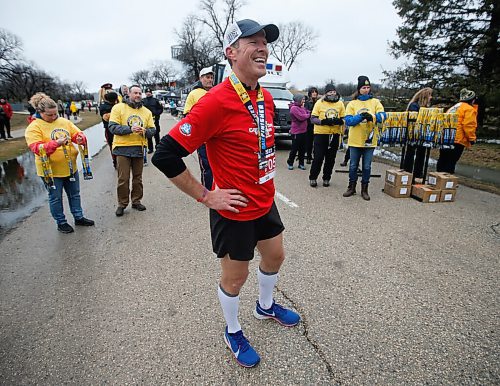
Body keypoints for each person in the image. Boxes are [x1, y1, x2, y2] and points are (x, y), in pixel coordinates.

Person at [152, 19, 300, 368]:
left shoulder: (262, 95)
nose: (263, 47)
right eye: (253, 41)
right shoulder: (215, 102)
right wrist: (207, 196)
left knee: (275, 256)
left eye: (265, 41)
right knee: (236, 276)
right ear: (231, 53)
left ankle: (264, 308)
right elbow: (165, 154)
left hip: (263, 201)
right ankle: (232, 330)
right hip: (232, 209)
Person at [24, 92, 95, 233]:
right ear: (40, 112)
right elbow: (37, 148)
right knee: (55, 198)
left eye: (55, 114)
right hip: (50, 171)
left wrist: (80, 138)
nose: (54, 117)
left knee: (75, 194)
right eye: (50, 115)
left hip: (70, 167)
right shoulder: (34, 127)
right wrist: (55, 143)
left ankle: (78, 216)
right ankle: (61, 222)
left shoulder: (63, 121)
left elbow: (76, 134)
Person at [108, 85, 155, 216]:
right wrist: (130, 129)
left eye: (140, 93)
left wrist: (145, 131)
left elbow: (153, 130)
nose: (138, 95)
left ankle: (136, 201)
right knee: (123, 178)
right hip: (122, 148)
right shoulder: (118, 108)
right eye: (135, 93)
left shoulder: (146, 112)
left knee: (138, 178)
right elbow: (112, 127)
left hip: (139, 148)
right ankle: (122, 204)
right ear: (128, 94)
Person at [343, 75, 386, 200]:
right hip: (355, 140)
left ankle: (365, 189)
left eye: (368, 87)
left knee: (367, 166)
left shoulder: (375, 102)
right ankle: (351, 187)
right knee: (353, 165)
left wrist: (372, 116)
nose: (366, 90)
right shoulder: (352, 104)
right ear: (359, 89)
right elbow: (349, 120)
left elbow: (383, 116)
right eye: (363, 87)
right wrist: (361, 117)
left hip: (370, 141)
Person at [183, 67, 215, 190]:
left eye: (211, 77)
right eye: (207, 77)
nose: (210, 80)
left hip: (216, 137)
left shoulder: (215, 91)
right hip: (203, 138)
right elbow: (187, 115)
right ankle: (207, 191)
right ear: (201, 78)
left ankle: (217, 188)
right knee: (207, 166)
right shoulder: (194, 93)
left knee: (218, 165)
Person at [308, 84, 345, 187]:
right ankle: (313, 177)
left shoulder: (340, 104)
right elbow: (313, 118)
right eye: (330, 92)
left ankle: (326, 178)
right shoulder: (320, 103)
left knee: (330, 159)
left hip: (334, 134)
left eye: (334, 92)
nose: (332, 94)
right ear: (326, 93)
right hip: (321, 134)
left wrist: (339, 121)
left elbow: (344, 118)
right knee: (318, 157)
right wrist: (324, 122)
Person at [436, 88, 477, 174]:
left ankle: (438, 181)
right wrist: (472, 139)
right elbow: (468, 125)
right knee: (450, 163)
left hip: (446, 137)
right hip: (457, 139)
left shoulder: (454, 107)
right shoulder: (469, 109)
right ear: (472, 100)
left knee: (442, 160)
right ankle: (446, 183)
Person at [403, 87, 433, 179]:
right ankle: (407, 173)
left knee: (421, 154)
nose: (431, 97)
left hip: (423, 134)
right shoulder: (414, 106)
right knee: (410, 153)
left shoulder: (425, 107)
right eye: (429, 95)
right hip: (413, 134)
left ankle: (418, 174)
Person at [286, 93, 310, 170]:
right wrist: (307, 115)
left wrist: (307, 114)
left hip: (304, 131)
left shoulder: (302, 107)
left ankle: (301, 163)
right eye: (302, 99)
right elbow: (301, 117)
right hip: (296, 132)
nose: (304, 101)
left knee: (302, 149)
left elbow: (307, 112)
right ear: (298, 100)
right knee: (294, 148)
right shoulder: (294, 108)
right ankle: (290, 162)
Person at [99, 91, 119, 168]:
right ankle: (115, 161)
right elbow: (106, 118)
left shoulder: (115, 105)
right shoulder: (104, 107)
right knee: (113, 146)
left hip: (117, 128)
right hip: (109, 129)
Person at [142, 88, 163, 154]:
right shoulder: (143, 101)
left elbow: (161, 109)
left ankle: (158, 147)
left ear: (151, 93)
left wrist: (157, 113)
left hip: (155, 120)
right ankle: (150, 148)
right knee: (148, 135)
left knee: (156, 134)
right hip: (146, 121)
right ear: (145, 93)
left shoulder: (156, 100)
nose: (148, 93)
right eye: (147, 92)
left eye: (149, 92)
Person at [304, 87, 318, 164]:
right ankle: (308, 156)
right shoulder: (307, 102)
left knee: (316, 142)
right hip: (309, 124)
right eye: (313, 92)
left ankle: (315, 156)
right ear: (310, 93)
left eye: (316, 92)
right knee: (309, 141)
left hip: (317, 124)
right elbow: (306, 112)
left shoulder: (318, 102)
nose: (314, 93)